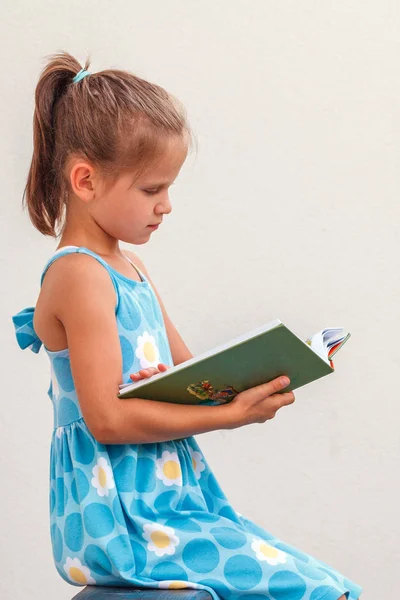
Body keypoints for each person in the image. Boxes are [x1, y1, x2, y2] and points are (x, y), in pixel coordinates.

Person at [11, 51, 362, 600]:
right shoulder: (79, 275)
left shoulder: (130, 269)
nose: (166, 206)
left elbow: (189, 375)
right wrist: (226, 419)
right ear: (85, 179)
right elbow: (104, 419)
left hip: (169, 499)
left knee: (324, 584)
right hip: (123, 517)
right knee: (320, 591)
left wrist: (270, 375)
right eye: (152, 190)